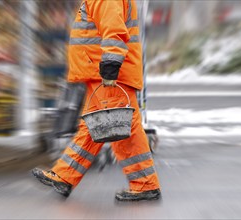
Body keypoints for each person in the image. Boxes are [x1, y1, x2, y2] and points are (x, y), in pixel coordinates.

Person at [32, 0, 161, 201]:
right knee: (93, 126)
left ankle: (145, 185)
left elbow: (114, 32)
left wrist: (110, 66)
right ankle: (64, 176)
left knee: (123, 129)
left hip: (108, 74)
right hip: (102, 72)